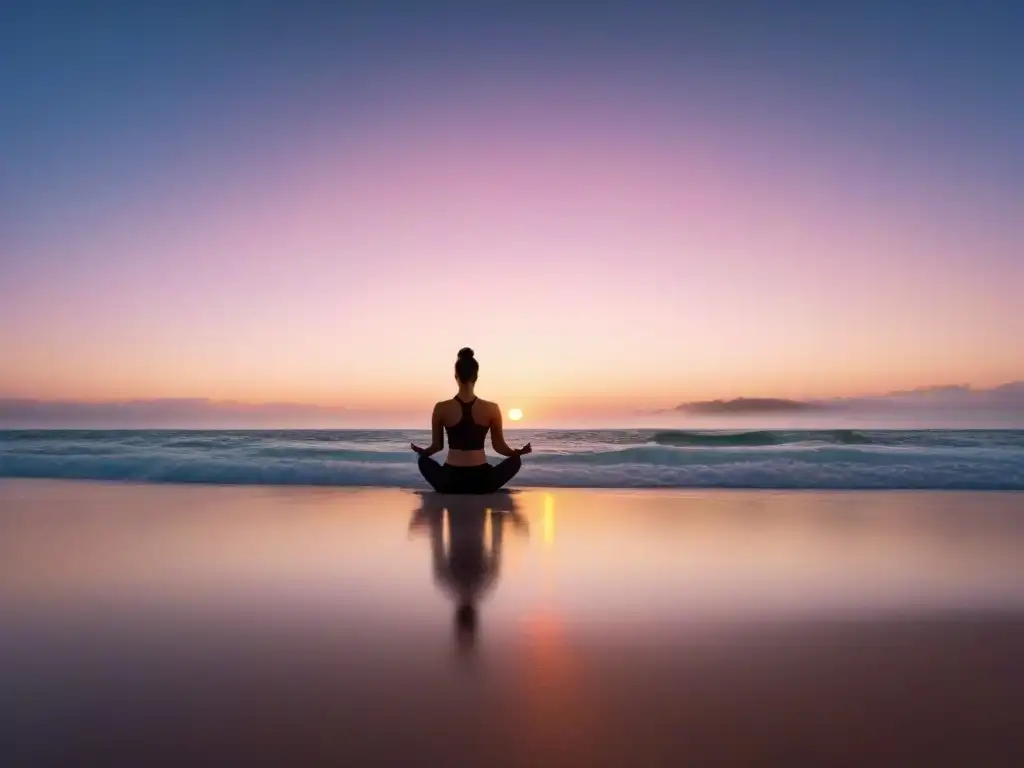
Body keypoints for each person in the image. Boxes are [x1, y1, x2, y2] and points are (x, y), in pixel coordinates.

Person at [411, 347, 531, 494]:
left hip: (449, 482)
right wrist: (518, 453)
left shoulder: (441, 408)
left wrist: (423, 452)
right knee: (516, 461)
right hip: (482, 482)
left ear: (456, 376)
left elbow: (437, 446)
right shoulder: (492, 408)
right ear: (476, 376)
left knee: (422, 460)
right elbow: (499, 447)